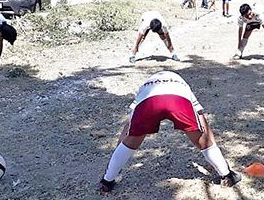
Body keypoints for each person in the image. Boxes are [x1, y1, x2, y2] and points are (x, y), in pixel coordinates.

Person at [98, 71, 241, 192]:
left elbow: (128, 126)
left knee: (131, 142)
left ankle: (107, 181)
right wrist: (210, 146)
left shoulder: (144, 87)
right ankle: (227, 176)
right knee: (202, 140)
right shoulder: (182, 84)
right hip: (178, 99)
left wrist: (116, 157)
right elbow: (202, 121)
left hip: (149, 102)